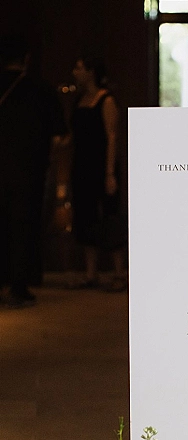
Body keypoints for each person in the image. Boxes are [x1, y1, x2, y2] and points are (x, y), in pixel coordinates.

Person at [0, 34, 66, 307]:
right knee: (23, 225)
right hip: (28, 169)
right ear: (26, 58)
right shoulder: (40, 90)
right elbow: (59, 135)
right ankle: (18, 285)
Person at [70, 55, 126, 291]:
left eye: (79, 68)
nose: (75, 72)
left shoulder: (106, 100)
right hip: (81, 166)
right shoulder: (80, 100)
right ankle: (90, 273)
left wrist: (110, 173)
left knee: (109, 216)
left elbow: (112, 136)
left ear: (91, 71)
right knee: (85, 217)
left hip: (102, 166)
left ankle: (119, 273)